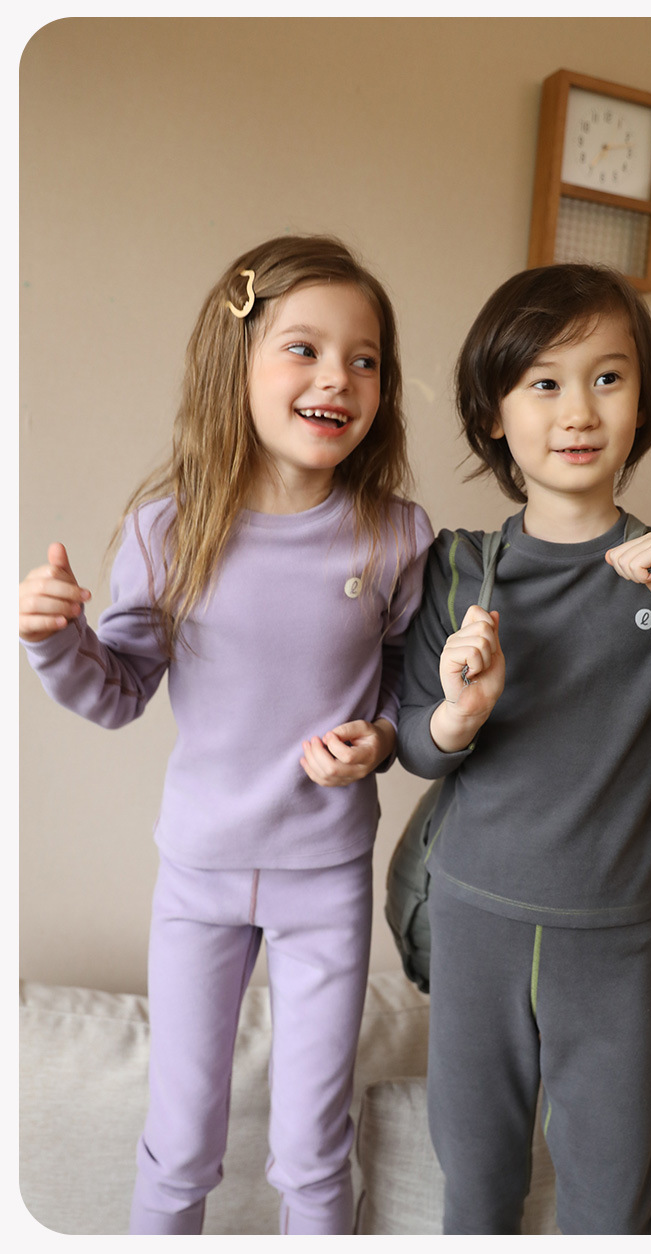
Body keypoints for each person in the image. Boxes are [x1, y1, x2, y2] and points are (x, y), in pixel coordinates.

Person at [19, 235, 433, 1236]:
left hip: (325, 876)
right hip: (198, 875)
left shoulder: (397, 536)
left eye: (365, 358)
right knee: (177, 1146)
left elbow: (411, 692)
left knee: (313, 1151)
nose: (337, 377)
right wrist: (55, 639)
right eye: (304, 349)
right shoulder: (168, 531)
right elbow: (118, 692)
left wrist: (381, 738)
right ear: (234, 359)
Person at [397, 263, 651, 1235]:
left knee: (611, 1204)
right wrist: (458, 717)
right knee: (477, 1190)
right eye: (543, 382)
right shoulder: (456, 570)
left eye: (608, 377)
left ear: (643, 400)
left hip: (612, 940)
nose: (578, 411)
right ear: (493, 413)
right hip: (472, 921)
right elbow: (413, 744)